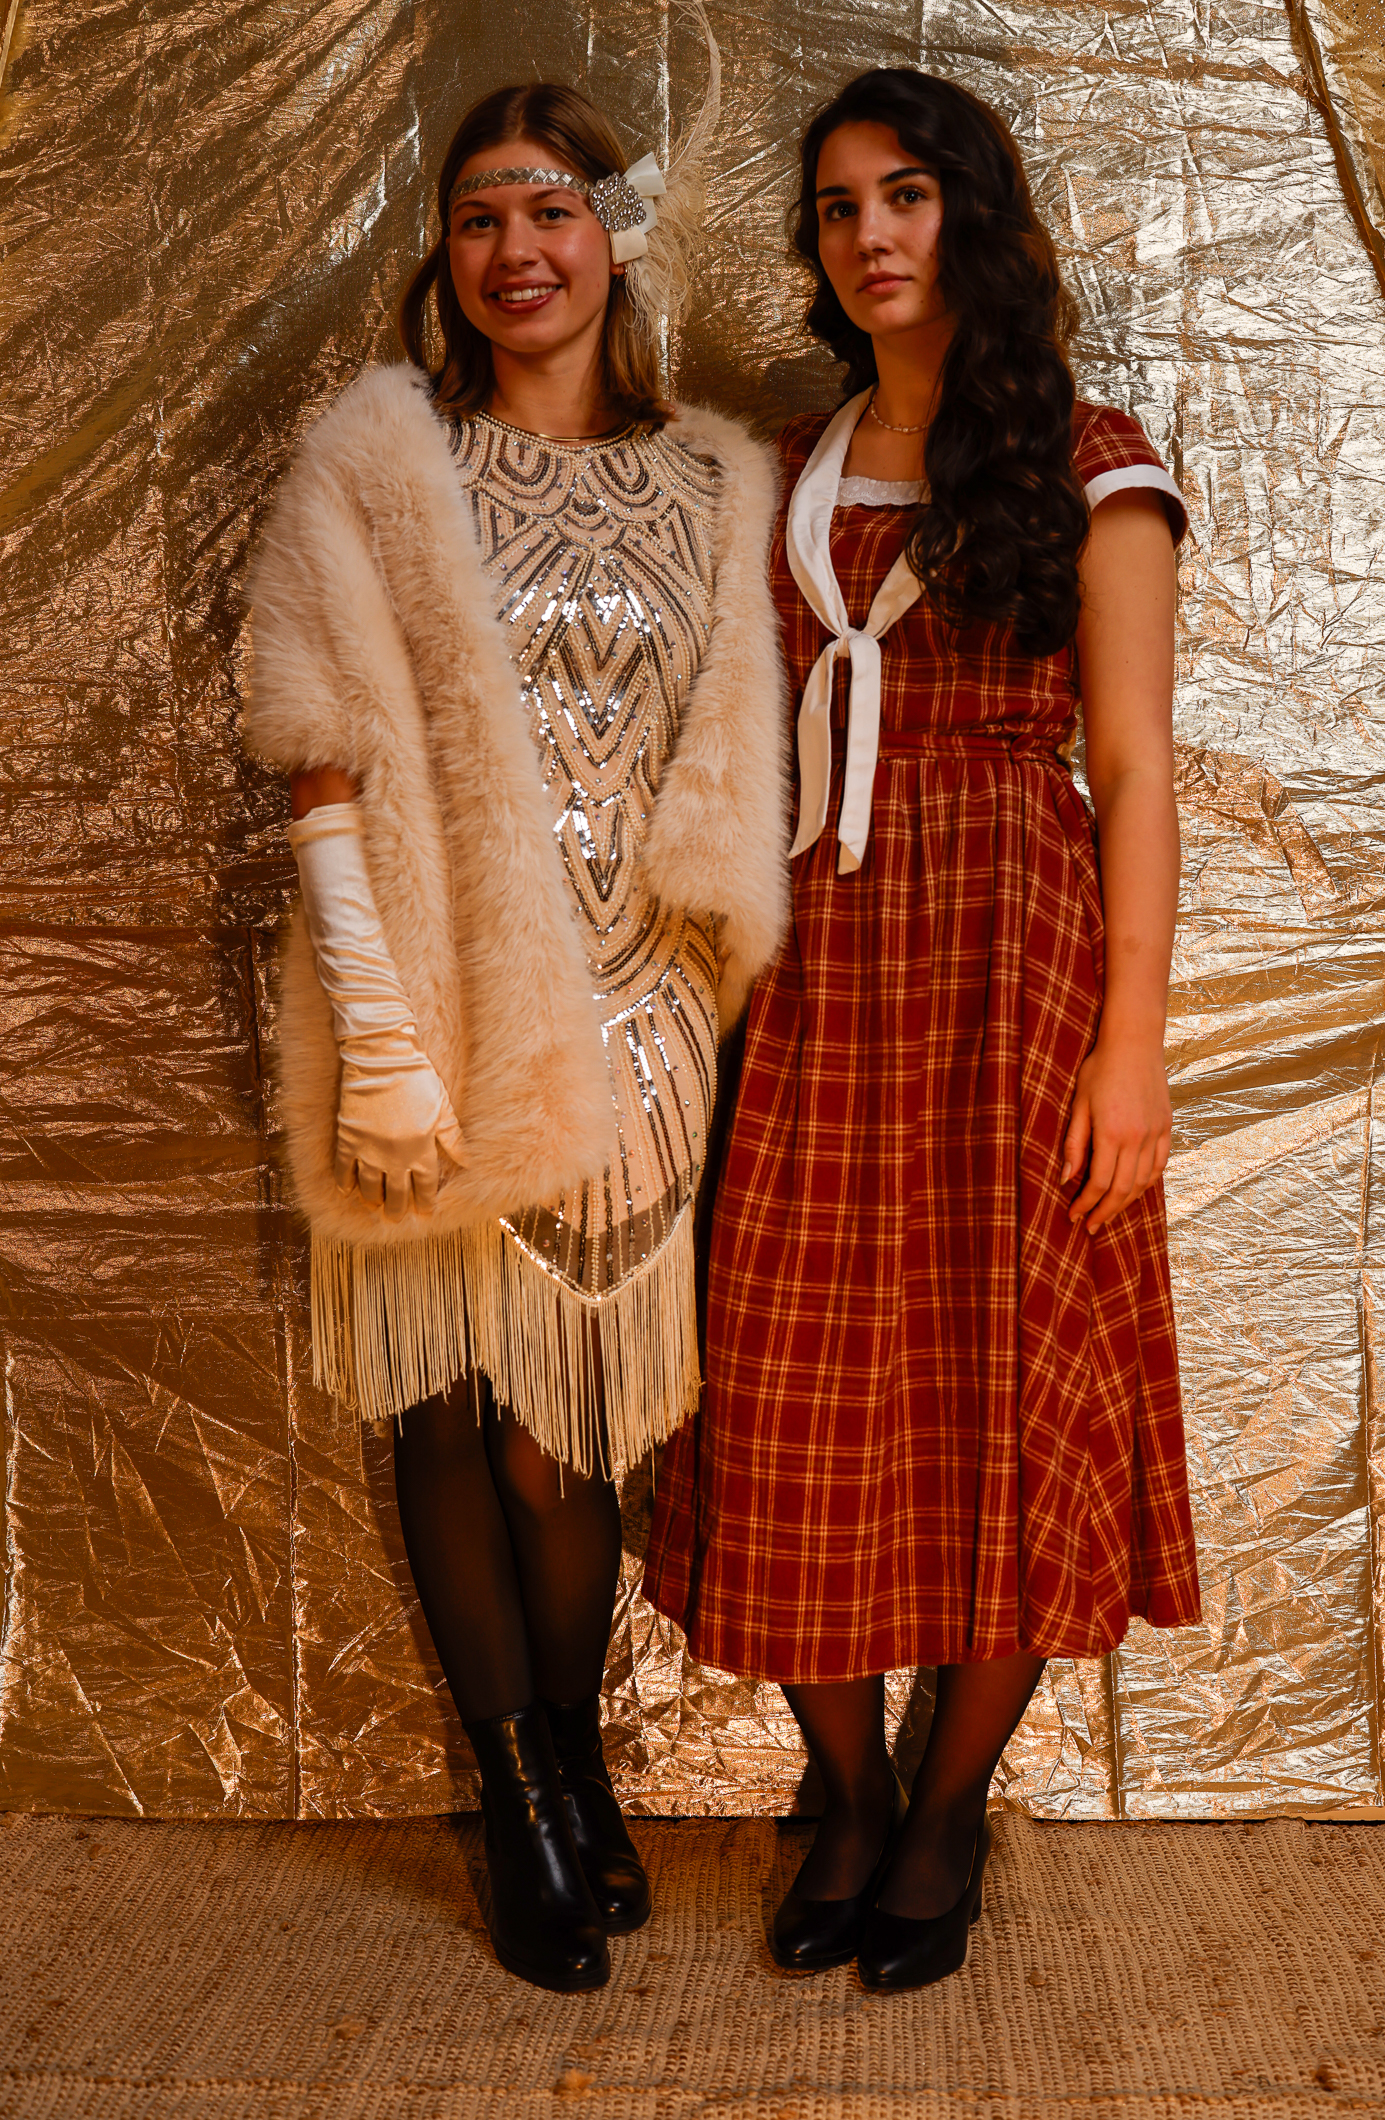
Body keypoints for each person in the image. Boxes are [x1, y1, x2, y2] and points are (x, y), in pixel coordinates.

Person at [644, 65, 1203, 1992]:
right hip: (816, 965)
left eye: (904, 194)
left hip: (1012, 956)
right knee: (787, 1381)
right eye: (835, 206)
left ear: (972, 214)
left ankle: (946, 1813)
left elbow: (1133, 770)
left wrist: (1129, 1049)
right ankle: (853, 1790)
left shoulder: (1085, 458)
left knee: (1004, 1385)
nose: (869, 233)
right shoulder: (790, 469)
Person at [243, 68, 788, 1994]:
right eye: (477, 214)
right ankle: (522, 1797)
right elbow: (315, 749)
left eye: (550, 207)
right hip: (424, 987)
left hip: (644, 1007)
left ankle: (573, 1751)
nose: (514, 248)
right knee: (444, 1404)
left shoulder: (714, 480)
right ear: (445, 252)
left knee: (567, 1437)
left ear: (610, 236)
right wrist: (380, 1034)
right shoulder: (378, 461)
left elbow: (742, 753)